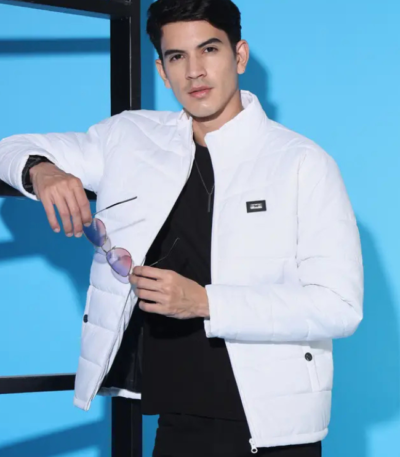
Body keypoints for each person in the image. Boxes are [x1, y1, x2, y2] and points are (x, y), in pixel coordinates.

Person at [0, 0, 364, 455]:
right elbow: (9, 148)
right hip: (175, 418)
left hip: (273, 429)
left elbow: (339, 306)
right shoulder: (130, 139)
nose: (194, 71)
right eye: (177, 57)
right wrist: (42, 171)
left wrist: (205, 302)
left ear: (239, 56)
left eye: (209, 49)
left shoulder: (302, 163)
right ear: (161, 69)